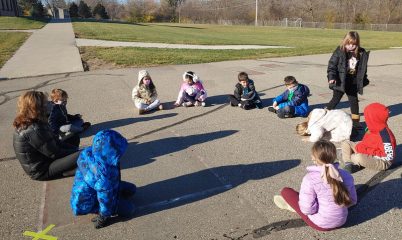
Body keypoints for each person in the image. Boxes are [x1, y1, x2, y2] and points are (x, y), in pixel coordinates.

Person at [273, 140, 357, 231]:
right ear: (334, 157)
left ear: (313, 158)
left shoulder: (310, 179)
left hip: (321, 225)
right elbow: (352, 201)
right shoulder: (346, 175)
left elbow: (307, 210)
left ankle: (292, 207)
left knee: (286, 191)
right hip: (342, 221)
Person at [70, 130, 137, 229]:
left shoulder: (88, 152)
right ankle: (99, 209)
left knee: (132, 189)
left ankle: (116, 196)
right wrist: (103, 216)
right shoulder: (104, 178)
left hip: (83, 193)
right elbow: (105, 199)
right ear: (111, 151)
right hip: (86, 203)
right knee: (129, 209)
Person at [13, 91, 80, 181]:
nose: (50, 103)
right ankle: (68, 170)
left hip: (46, 158)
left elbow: (56, 141)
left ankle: (71, 167)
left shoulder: (36, 120)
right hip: (42, 170)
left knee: (73, 138)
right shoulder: (33, 129)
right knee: (83, 154)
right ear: (37, 107)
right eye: (46, 102)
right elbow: (55, 153)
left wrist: (75, 151)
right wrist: (78, 153)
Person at [326, 31, 370, 132]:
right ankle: (324, 115)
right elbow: (331, 66)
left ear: (357, 43)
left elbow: (363, 68)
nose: (351, 46)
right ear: (344, 42)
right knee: (335, 100)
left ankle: (355, 122)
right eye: (348, 44)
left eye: (353, 44)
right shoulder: (339, 51)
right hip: (340, 81)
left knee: (354, 101)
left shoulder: (361, 53)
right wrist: (331, 77)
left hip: (353, 82)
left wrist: (363, 79)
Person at [340, 103, 396, 173]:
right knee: (346, 143)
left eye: (367, 116)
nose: (366, 119)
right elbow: (366, 142)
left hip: (382, 161)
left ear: (373, 118)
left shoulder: (385, 136)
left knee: (357, 157)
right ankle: (349, 163)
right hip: (367, 151)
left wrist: (365, 151)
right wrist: (362, 148)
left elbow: (388, 157)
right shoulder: (371, 128)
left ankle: (351, 159)